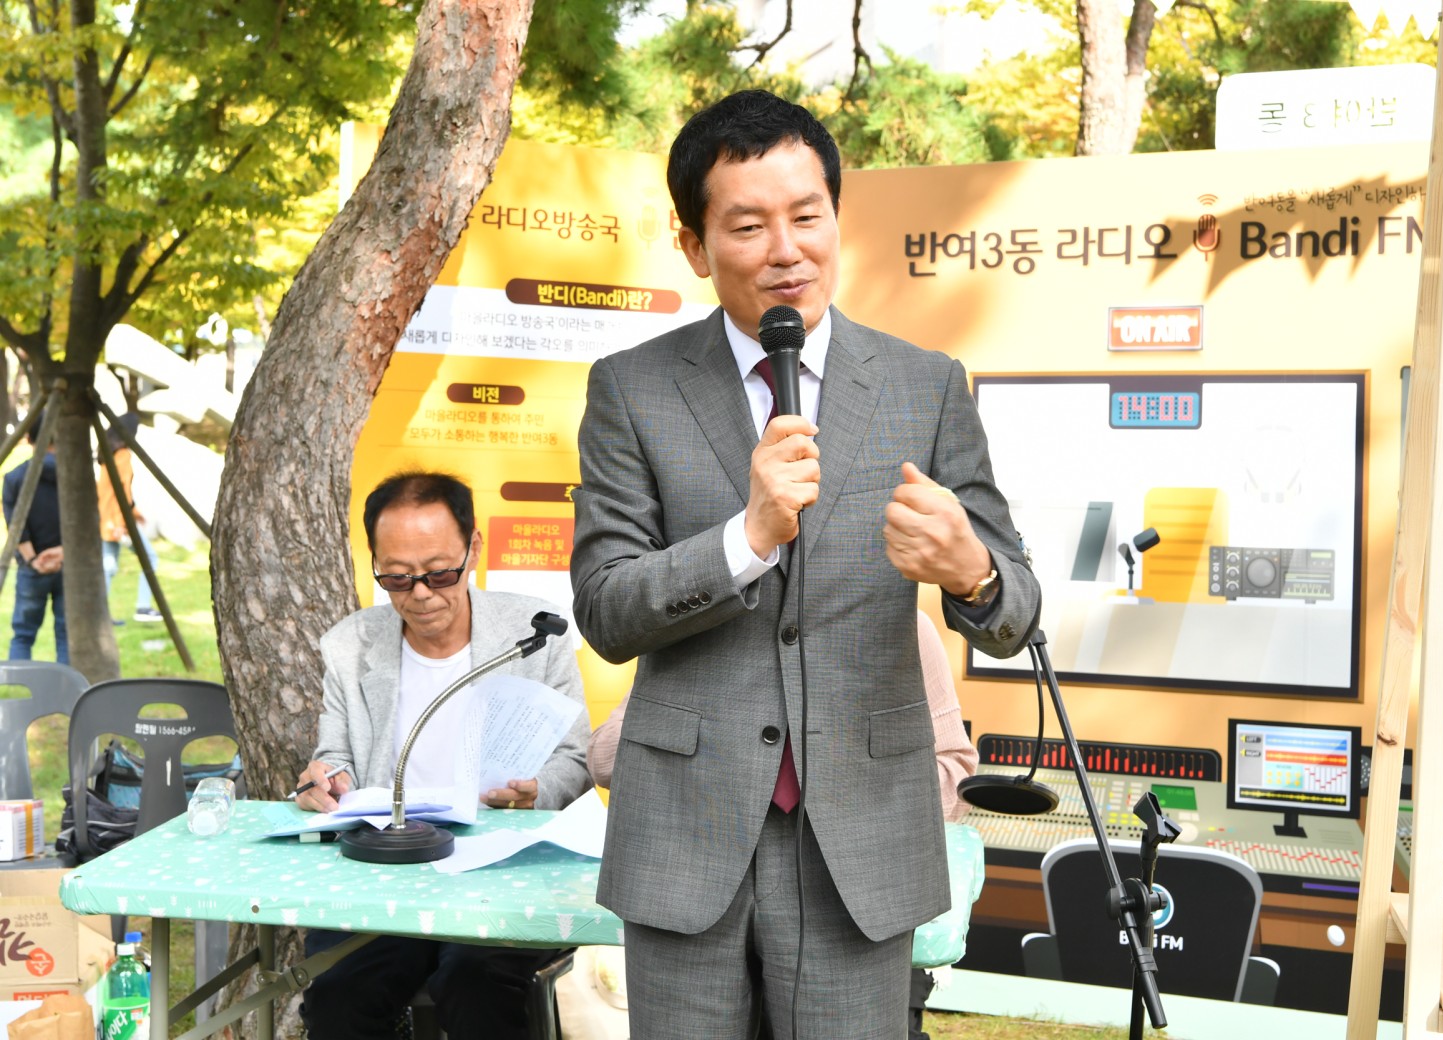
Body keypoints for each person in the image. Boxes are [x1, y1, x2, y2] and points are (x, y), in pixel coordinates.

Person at [569, 89, 1040, 1039]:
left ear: (836, 218)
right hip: (686, 830)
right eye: (748, 226)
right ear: (695, 246)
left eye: (807, 216)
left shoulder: (924, 386)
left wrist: (971, 573)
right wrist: (743, 540)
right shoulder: (632, 389)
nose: (786, 250)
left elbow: (1016, 610)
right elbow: (607, 609)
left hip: (859, 834)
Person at [294, 470, 592, 1040]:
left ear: (473, 548)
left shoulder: (534, 633)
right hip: (388, 874)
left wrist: (536, 792)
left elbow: (574, 758)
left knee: (475, 981)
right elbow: (335, 755)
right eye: (397, 578)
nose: (421, 595)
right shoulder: (351, 645)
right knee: (340, 994)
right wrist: (327, 780)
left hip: (502, 873)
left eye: (439, 573)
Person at [585, 610, 978, 1040]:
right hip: (690, 861)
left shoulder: (900, 622)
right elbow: (603, 759)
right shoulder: (696, 610)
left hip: (845, 884)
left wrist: (852, 795)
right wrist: (699, 724)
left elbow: (955, 771)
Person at [4, 428, 68, 664]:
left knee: (22, 636)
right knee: (67, 636)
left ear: (29, 437)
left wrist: (33, 560)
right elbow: (85, 520)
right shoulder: (73, 476)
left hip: (32, 566)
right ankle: (67, 685)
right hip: (67, 563)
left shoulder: (14, 477)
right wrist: (62, 553)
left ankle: (19, 683)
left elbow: (15, 524)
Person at [97, 415, 161, 624]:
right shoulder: (123, 456)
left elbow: (111, 494)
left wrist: (134, 512)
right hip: (117, 521)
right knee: (150, 558)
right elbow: (122, 492)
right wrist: (122, 523)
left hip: (106, 519)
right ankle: (143, 607)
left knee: (108, 567)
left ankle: (101, 615)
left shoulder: (107, 455)